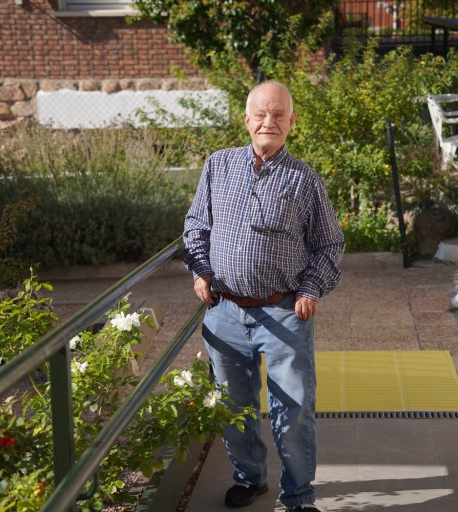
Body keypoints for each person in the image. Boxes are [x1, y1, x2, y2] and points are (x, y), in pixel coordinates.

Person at [182, 81, 344, 512]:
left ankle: (298, 495)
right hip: (225, 312)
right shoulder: (218, 165)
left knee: (291, 411)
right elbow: (195, 227)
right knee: (234, 408)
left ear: (292, 122)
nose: (267, 122)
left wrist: (310, 289)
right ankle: (250, 478)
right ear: (246, 119)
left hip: (284, 311)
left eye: (278, 115)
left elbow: (330, 245)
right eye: (260, 114)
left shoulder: (305, 180)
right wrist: (199, 271)